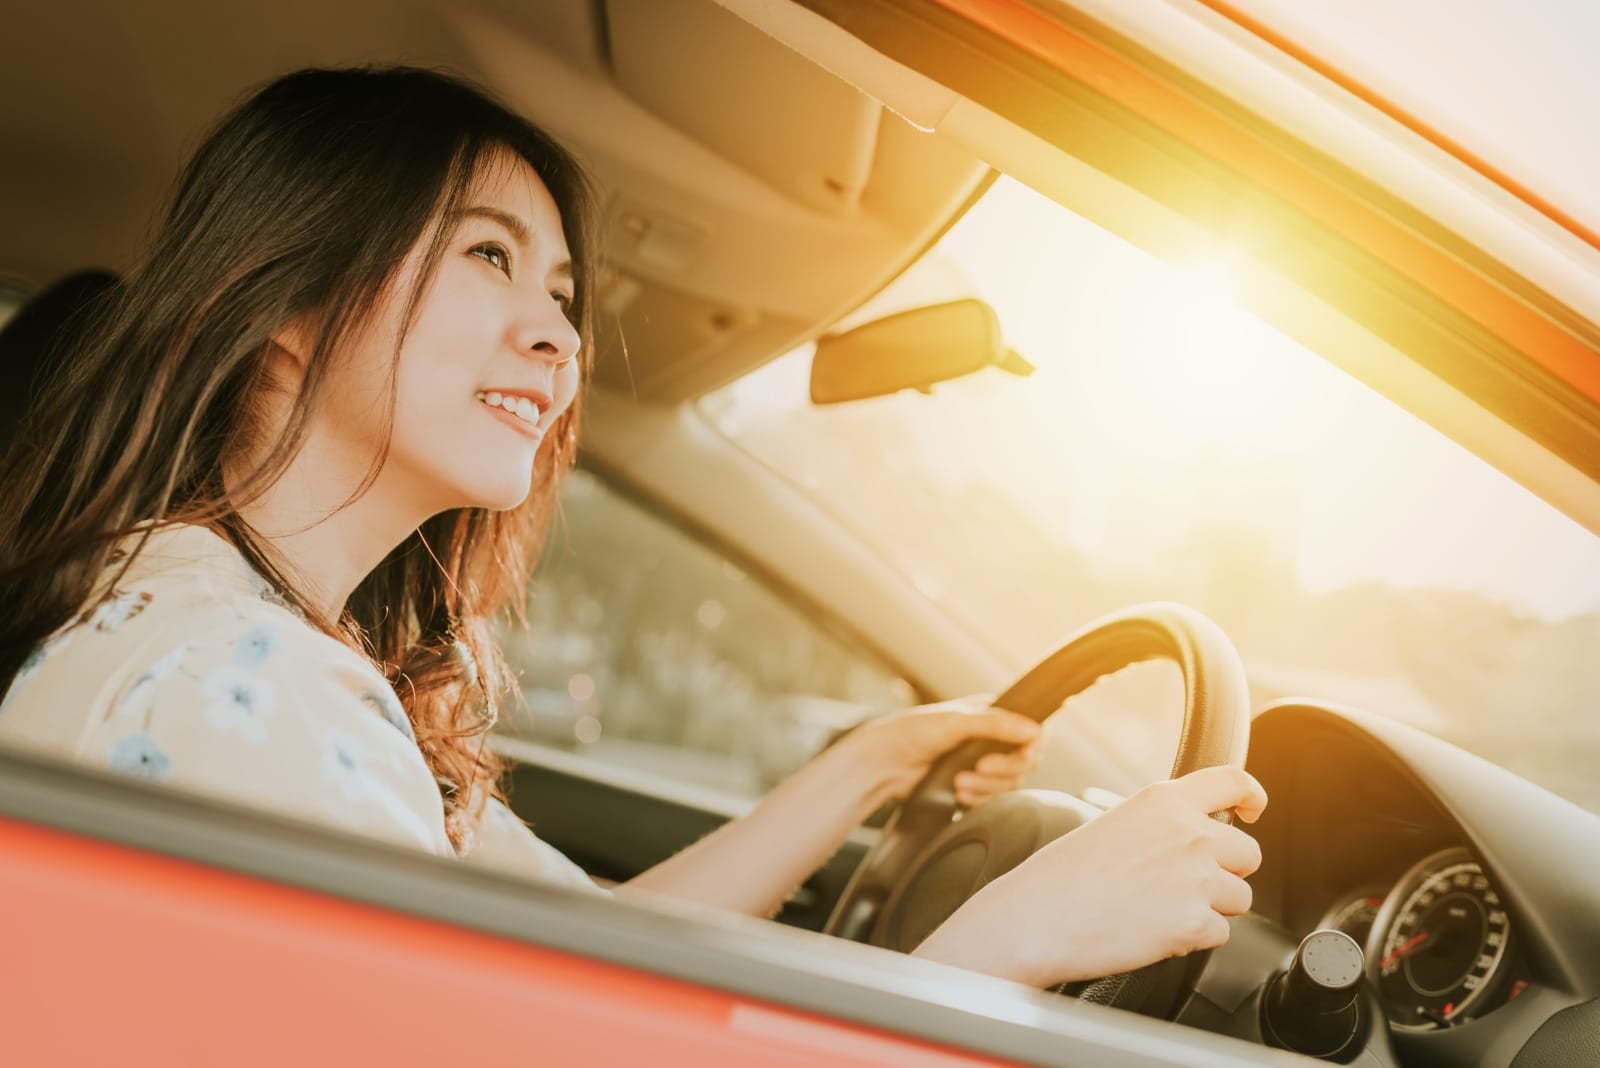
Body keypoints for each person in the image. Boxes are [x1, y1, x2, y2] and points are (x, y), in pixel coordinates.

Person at [0, 66, 1264, 986]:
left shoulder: (247, 643)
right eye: (485, 257)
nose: (555, 335)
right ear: (287, 301)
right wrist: (1014, 941)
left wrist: (874, 765)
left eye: (557, 289)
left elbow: (606, 950)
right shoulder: (246, 687)